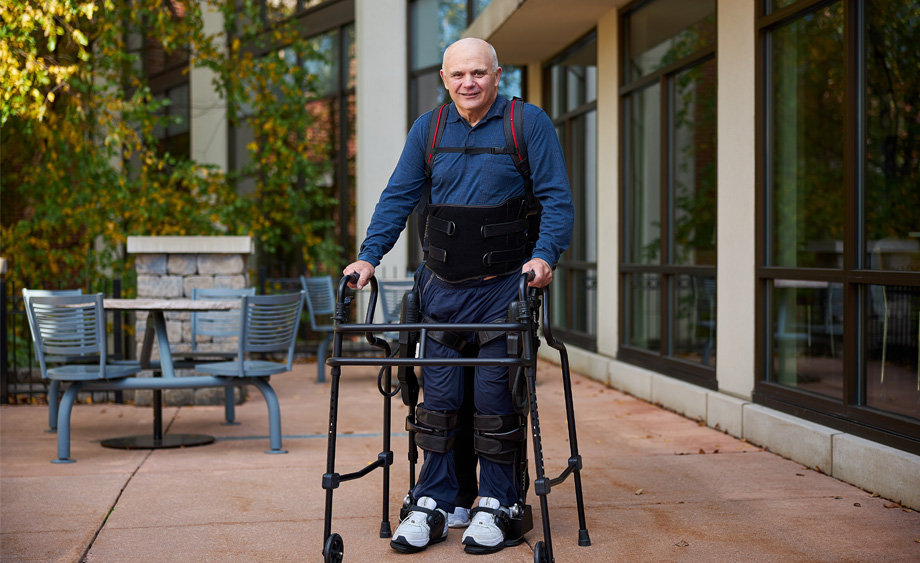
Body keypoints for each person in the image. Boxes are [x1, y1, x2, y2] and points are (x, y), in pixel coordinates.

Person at [343, 37, 573, 555]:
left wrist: (545, 256)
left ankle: (497, 503)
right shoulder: (429, 129)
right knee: (439, 402)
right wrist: (368, 257)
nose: (468, 83)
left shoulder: (526, 123)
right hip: (441, 292)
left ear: (497, 74)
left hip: (502, 293)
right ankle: (436, 501)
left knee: (493, 398)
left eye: (478, 73)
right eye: (458, 75)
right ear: (444, 81)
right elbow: (398, 195)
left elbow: (557, 199)